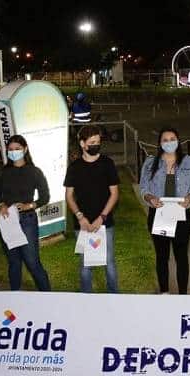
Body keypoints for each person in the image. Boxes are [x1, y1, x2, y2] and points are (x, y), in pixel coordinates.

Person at [139, 128, 190, 294]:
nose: (169, 142)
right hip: (159, 215)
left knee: (181, 257)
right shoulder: (150, 162)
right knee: (162, 256)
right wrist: (150, 198)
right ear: (160, 143)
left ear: (178, 140)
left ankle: (182, 295)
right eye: (165, 139)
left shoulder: (189, 162)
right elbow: (143, 187)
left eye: (172, 138)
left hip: (181, 215)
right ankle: (164, 292)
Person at [64, 125, 120, 293]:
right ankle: (86, 299)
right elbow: (69, 196)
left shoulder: (107, 164)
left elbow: (114, 194)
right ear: (82, 144)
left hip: (105, 223)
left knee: (109, 262)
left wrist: (102, 217)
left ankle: (114, 296)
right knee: (85, 264)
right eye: (92, 142)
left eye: (98, 141)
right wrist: (80, 217)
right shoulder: (74, 168)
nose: (96, 145)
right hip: (82, 225)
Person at [0, 135, 51, 291]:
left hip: (27, 221)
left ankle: (49, 297)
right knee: (14, 262)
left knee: (32, 261)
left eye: (17, 149)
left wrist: (29, 205)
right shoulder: (2, 172)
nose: (14, 152)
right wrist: (1, 205)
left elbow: (45, 197)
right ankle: (15, 299)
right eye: (10, 149)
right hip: (8, 220)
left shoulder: (35, 172)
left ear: (25, 149)